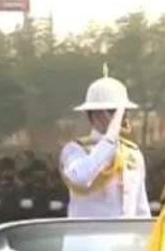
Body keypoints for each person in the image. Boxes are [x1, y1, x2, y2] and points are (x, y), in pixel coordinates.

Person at [59, 71, 149, 219]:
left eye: (124, 111)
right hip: (89, 233)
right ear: (96, 115)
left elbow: (141, 209)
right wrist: (109, 140)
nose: (122, 117)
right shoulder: (75, 150)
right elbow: (81, 178)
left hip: (126, 233)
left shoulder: (132, 153)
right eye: (114, 111)